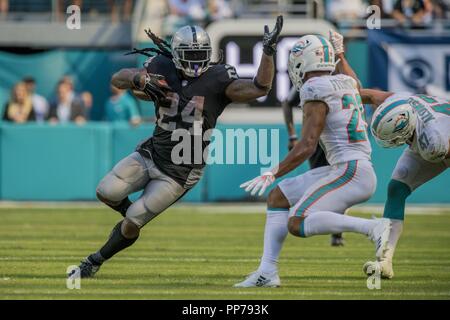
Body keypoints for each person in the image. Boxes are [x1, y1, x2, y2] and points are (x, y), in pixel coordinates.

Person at [69, 17, 284, 278]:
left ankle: (95, 260)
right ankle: (135, 217)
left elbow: (260, 87)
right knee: (105, 191)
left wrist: (268, 53)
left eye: (200, 55)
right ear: (176, 55)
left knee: (131, 223)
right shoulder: (161, 66)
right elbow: (118, 78)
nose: (195, 61)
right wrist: (139, 79)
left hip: (181, 171)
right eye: (189, 55)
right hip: (151, 153)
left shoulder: (218, 78)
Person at [234, 31, 391, 288]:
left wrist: (273, 171)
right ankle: (267, 272)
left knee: (297, 221)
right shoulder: (346, 82)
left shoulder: (313, 87)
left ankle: (372, 228)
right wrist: (340, 54)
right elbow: (356, 84)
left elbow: (307, 146)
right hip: (349, 168)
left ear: (302, 62)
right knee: (278, 197)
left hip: (350, 171)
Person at [359, 90, 449, 279]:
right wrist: (339, 93)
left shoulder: (435, 139)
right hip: (427, 134)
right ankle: (385, 260)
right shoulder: (397, 102)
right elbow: (372, 95)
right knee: (396, 188)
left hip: (441, 138)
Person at [282, 86, 344, 247]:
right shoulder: (306, 84)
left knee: (340, 184)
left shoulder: (341, 82)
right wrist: (293, 136)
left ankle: (338, 231)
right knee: (322, 183)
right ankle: (335, 228)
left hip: (337, 141)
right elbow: (286, 103)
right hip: (315, 141)